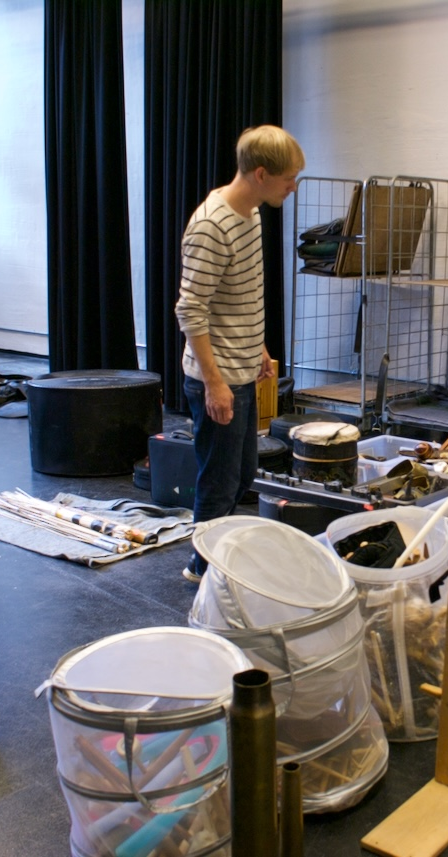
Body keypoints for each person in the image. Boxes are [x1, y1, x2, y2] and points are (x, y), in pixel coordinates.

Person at [175, 126, 303, 581]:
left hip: (243, 370)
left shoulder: (250, 215)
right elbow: (190, 309)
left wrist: (259, 346)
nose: (293, 187)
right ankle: (203, 571)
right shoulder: (211, 226)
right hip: (219, 379)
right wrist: (214, 383)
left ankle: (217, 561)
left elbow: (241, 294)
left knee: (243, 474)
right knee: (219, 482)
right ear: (261, 174)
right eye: (289, 179)